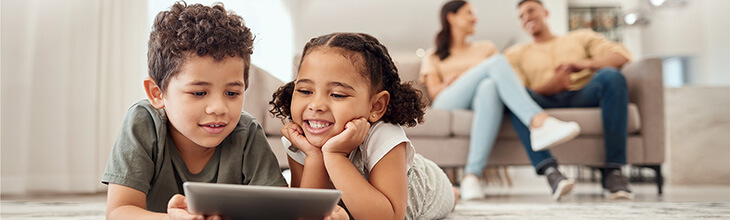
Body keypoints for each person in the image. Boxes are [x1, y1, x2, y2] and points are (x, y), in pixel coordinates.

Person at [101, 2, 288, 219]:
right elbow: (118, 212)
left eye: (232, 93)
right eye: (199, 93)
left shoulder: (247, 133)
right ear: (157, 93)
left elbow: (279, 208)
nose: (219, 108)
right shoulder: (143, 122)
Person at [270, 32, 455, 220]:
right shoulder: (300, 140)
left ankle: (455, 194)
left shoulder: (383, 135)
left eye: (337, 95)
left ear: (376, 106)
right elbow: (308, 214)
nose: (316, 105)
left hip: (431, 188)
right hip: (359, 204)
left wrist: (335, 156)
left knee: (450, 195)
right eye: (305, 91)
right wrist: (314, 156)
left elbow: (386, 218)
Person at [421, 0, 581, 201]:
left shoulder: (485, 47)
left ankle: (472, 177)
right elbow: (436, 94)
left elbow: (503, 82)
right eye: (469, 13)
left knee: (489, 87)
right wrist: (461, 79)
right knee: (496, 62)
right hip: (449, 102)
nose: (475, 18)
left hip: (481, 102)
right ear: (451, 17)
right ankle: (539, 121)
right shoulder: (434, 55)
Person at [504, 0, 634, 200]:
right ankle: (551, 172)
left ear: (546, 12)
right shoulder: (515, 53)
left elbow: (621, 56)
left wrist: (582, 65)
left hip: (583, 93)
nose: (526, 17)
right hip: (541, 102)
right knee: (514, 100)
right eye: (521, 16)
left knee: (612, 76)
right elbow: (517, 93)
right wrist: (550, 86)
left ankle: (613, 171)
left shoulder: (581, 37)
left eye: (530, 11)